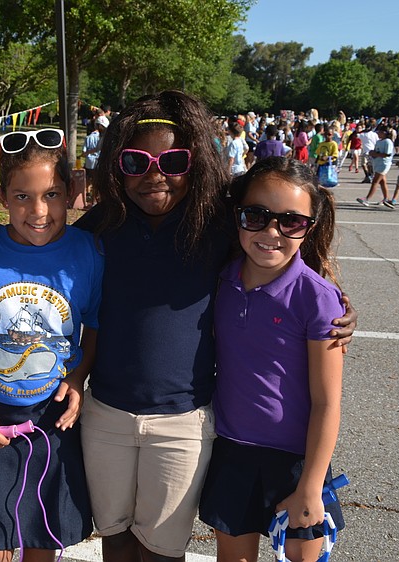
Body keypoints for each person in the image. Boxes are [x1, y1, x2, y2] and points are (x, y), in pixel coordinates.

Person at [73, 90, 356, 562]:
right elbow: (42, 246)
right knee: (116, 537)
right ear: (115, 165)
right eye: (136, 161)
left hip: (184, 417)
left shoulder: (218, 223)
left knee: (162, 547)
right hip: (107, 410)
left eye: (174, 160)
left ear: (197, 163)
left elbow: (277, 242)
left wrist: (334, 300)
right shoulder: (106, 221)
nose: (154, 175)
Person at [0, 128, 100, 561]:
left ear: (72, 190)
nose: (38, 211)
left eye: (52, 195)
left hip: (51, 420)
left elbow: (94, 327)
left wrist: (78, 374)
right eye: (22, 197)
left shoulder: (90, 252)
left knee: (42, 540)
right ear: (1, 196)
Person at [198, 157, 346, 562]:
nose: (271, 232)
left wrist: (312, 485)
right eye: (257, 216)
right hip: (232, 451)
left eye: (290, 222)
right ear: (237, 215)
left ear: (309, 227)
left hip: (297, 460)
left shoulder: (317, 297)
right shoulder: (220, 278)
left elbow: (327, 401)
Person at [357, 125, 394, 208]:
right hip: (377, 163)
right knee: (382, 182)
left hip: (384, 164)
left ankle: (367, 199)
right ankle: (386, 198)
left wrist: (376, 154)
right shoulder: (379, 141)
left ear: (384, 133)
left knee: (375, 181)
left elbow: (387, 154)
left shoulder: (388, 141)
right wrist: (372, 153)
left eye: (380, 132)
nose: (378, 134)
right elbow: (376, 151)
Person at [79, 115, 109, 208]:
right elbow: (97, 149)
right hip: (99, 163)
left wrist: (85, 153)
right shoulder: (102, 136)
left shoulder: (106, 137)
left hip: (101, 163)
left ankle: (95, 202)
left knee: (96, 183)